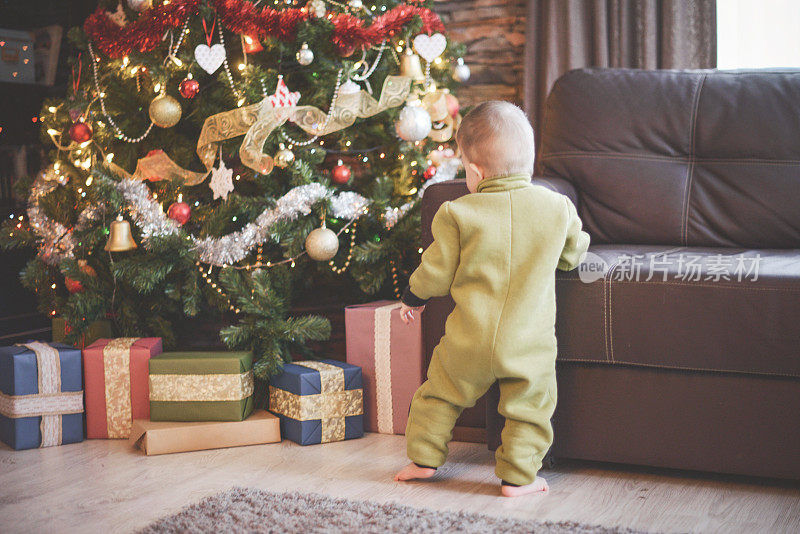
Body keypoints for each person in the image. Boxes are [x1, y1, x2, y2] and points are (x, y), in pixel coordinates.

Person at [393, 100, 590, 497]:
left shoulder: (456, 213)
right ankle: (519, 478)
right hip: (528, 342)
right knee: (530, 407)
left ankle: (424, 460)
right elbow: (573, 254)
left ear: (475, 171)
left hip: (469, 338)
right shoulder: (557, 208)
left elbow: (436, 270)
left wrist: (412, 298)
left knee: (439, 394)